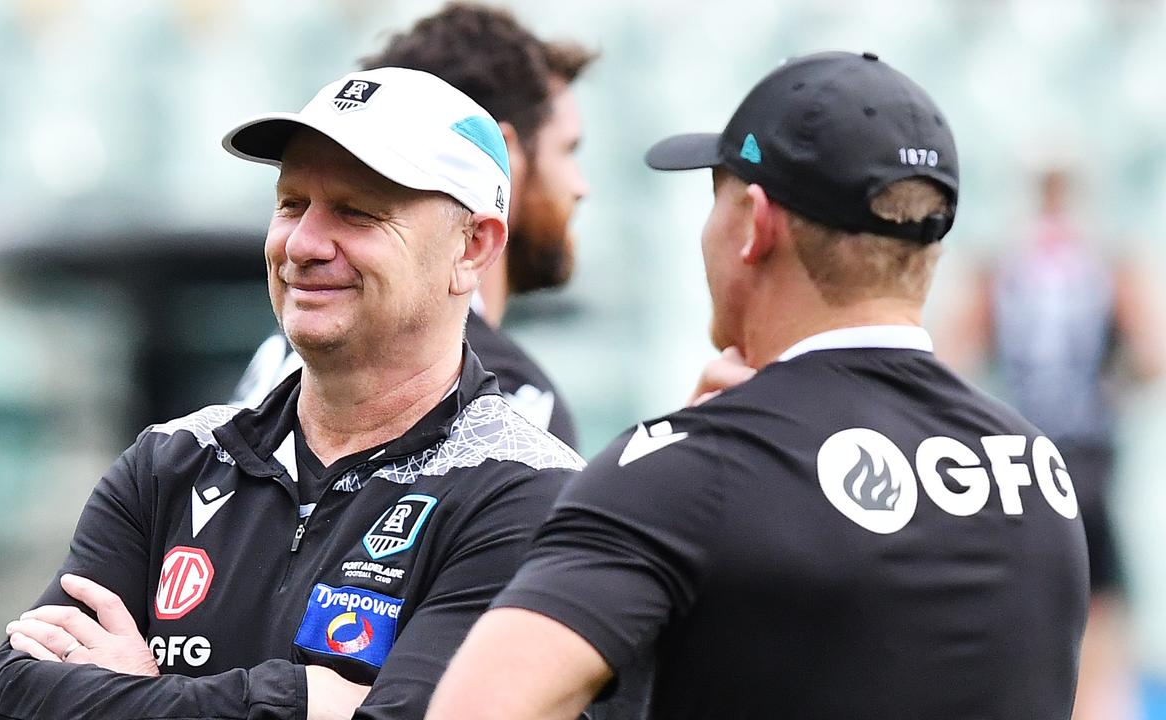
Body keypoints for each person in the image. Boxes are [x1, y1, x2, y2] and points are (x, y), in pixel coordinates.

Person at [427, 51, 1090, 720]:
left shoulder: (684, 470)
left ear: (753, 224)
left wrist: (673, 469)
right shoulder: (1036, 467)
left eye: (714, 198)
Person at [0, 66, 583, 720]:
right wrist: (308, 702)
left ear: (474, 247)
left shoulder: (531, 493)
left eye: (356, 212)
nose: (304, 243)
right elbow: (10, 698)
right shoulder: (170, 462)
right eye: (291, 203)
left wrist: (133, 695)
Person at [233, 2, 594, 448]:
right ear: (501, 160)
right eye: (567, 149)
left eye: (357, 211)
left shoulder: (292, 349)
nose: (580, 186)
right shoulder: (512, 399)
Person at [941, 167, 1161, 720]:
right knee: (1101, 623)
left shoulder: (1004, 265)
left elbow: (948, 357)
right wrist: (1112, 383)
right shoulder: (1104, 262)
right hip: (1085, 465)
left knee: (1024, 614)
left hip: (1022, 463)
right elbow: (1152, 356)